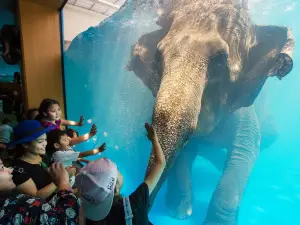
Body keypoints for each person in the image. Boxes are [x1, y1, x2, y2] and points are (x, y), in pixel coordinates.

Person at [76, 123, 165, 225]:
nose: (119, 171)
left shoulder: (90, 219)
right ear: (115, 189)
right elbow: (160, 163)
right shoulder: (137, 202)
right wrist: (154, 140)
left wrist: (91, 173)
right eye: (117, 170)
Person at [0, 159, 80, 224]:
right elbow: (67, 220)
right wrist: (63, 182)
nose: (10, 170)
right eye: (2, 167)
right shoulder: (7, 210)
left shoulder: (7, 197)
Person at [10, 120, 58, 200]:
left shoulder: (43, 156)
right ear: (25, 144)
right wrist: (60, 180)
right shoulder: (18, 170)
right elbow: (36, 196)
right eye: (40, 141)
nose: (45, 143)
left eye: (45, 139)